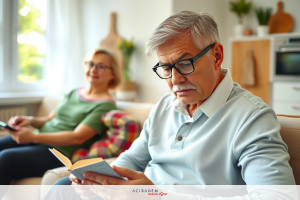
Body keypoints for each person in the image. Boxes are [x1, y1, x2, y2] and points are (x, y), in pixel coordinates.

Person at [44, 11, 296, 199]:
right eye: (166, 67)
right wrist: (100, 181)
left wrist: (156, 195)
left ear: (217, 56)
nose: (175, 80)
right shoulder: (165, 105)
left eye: (185, 64)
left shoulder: (252, 118)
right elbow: (131, 160)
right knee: (62, 188)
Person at [0, 48, 121, 188]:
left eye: (101, 66)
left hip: (58, 152)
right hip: (38, 138)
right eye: (90, 64)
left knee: (6, 158)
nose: (93, 69)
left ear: (112, 73)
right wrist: (30, 120)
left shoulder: (106, 105)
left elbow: (78, 137)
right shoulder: (74, 92)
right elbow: (49, 119)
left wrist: (33, 137)